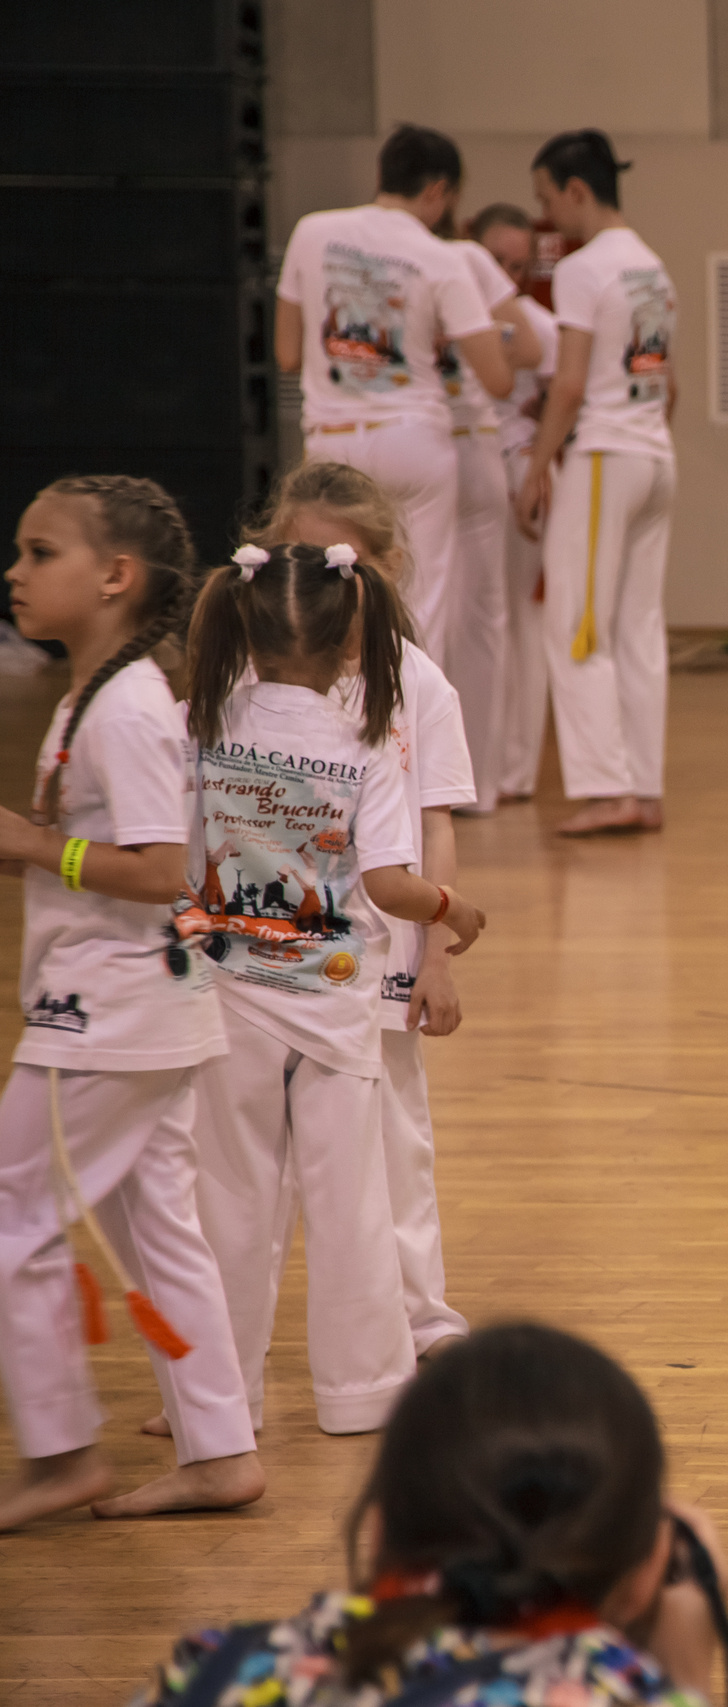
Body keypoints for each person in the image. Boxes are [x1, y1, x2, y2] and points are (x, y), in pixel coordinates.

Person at [0, 477, 264, 1530]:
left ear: (114, 576)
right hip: (129, 1007)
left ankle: (61, 1451)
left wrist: (33, 844)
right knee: (161, 1230)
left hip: (107, 1014)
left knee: (13, 1215)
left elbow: (164, 870)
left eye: (39, 551)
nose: (17, 573)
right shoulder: (95, 696)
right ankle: (220, 1450)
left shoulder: (127, 711)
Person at [183, 540, 486, 1434]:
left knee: (228, 1202)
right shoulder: (365, 746)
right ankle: (362, 1394)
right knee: (351, 1200)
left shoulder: (197, 720)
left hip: (224, 996)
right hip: (334, 1001)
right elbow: (393, 885)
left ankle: (221, 1400)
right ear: (352, 637)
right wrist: (452, 908)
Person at [135, 1322, 728, 1707]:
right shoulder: (617, 1694)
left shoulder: (211, 1670)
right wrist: (684, 1681)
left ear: (378, 1532)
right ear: (651, 1565)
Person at [257, 466, 479, 1364]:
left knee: (394, 1142)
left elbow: (434, 822)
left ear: (385, 564)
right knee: (248, 1162)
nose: (324, 574)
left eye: (344, 557)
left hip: (373, 952)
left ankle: (420, 1319)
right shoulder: (249, 671)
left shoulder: (417, 683)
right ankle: (229, 1358)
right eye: (301, 555)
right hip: (263, 955)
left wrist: (438, 953)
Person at [275, 126, 515, 675]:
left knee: (328, 607)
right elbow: (498, 380)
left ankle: (334, 745)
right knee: (419, 612)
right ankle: (410, 750)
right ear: (437, 190)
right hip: (415, 441)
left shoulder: (313, 233)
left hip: (334, 447)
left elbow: (288, 352)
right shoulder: (439, 257)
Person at [513, 131, 677, 838]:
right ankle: (643, 785)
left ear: (577, 189)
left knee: (576, 621)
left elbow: (571, 384)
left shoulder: (587, 268)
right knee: (638, 627)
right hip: (655, 457)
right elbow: (671, 385)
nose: (548, 215)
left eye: (548, 199)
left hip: (607, 456)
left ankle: (608, 787)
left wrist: (535, 467)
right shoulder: (653, 268)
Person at [437, 208, 541, 814]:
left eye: (517, 265)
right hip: (467, 442)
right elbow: (522, 343)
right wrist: (487, 333)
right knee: (480, 619)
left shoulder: (432, 263)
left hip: (444, 440)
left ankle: (448, 782)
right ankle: (475, 784)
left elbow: (532, 348)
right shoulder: (463, 263)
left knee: (444, 615)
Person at [470, 203, 559, 803]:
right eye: (496, 260)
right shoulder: (444, 302)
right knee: (472, 615)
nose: (507, 275)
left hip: (520, 467)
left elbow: (564, 397)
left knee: (520, 619)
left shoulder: (539, 327)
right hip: (465, 467)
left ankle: (515, 769)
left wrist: (541, 469)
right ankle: (473, 761)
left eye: (519, 266)